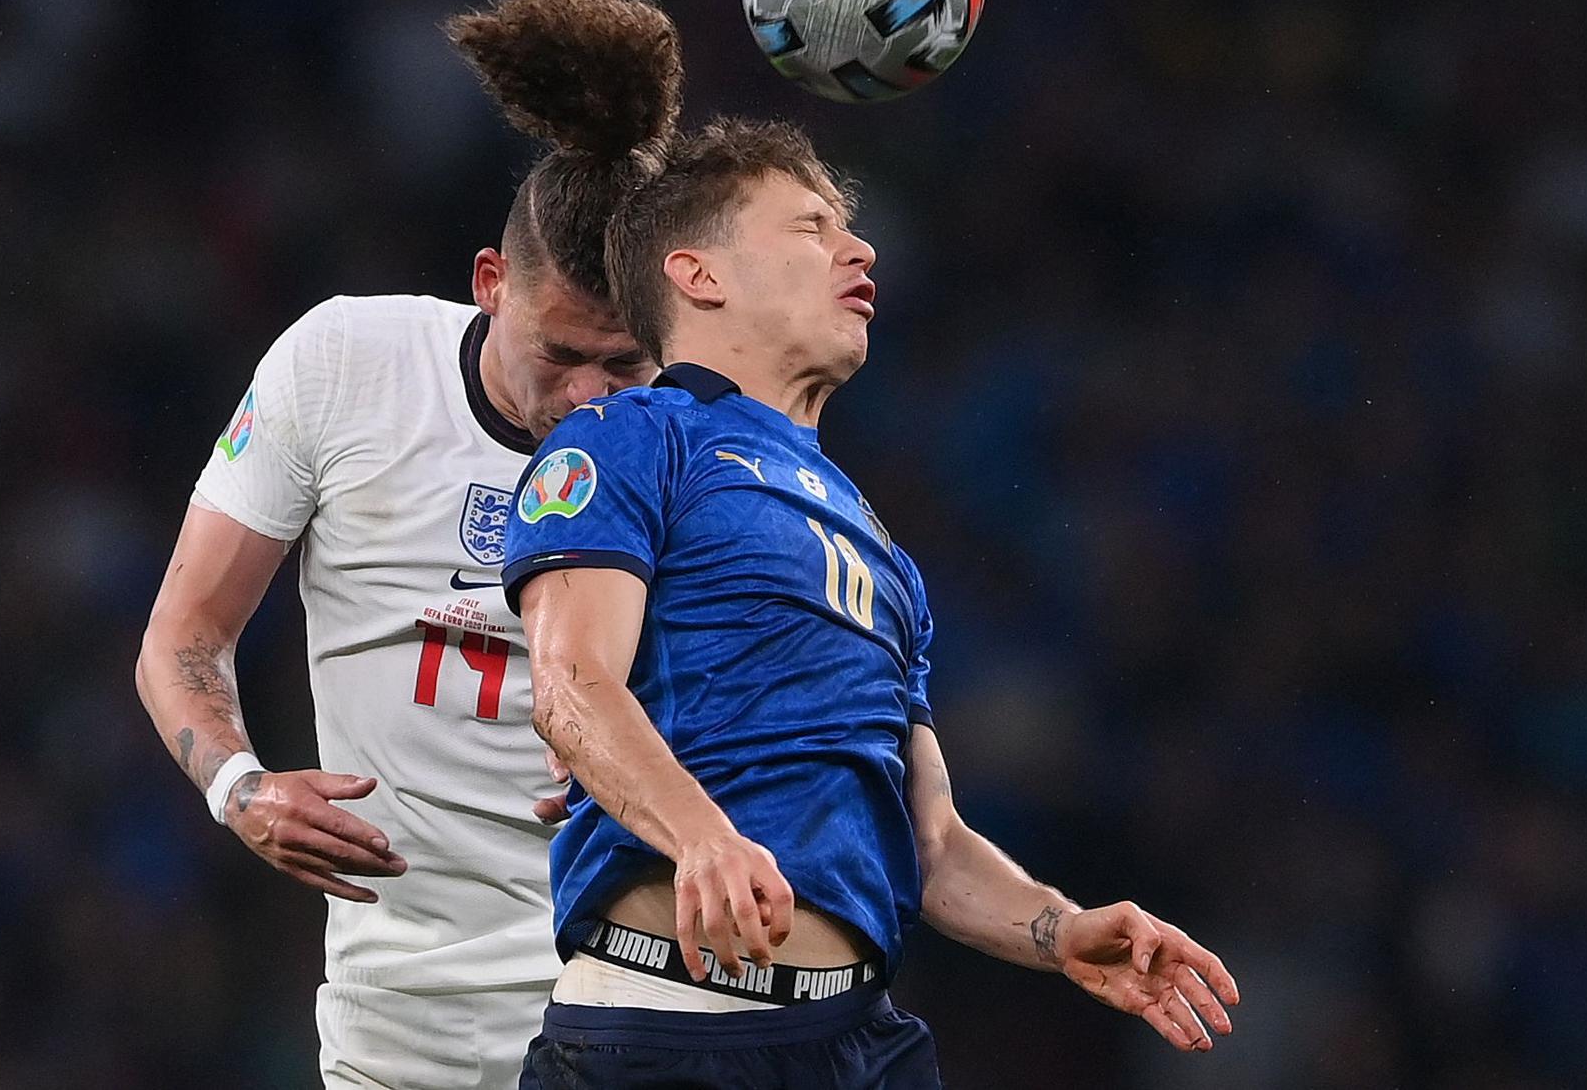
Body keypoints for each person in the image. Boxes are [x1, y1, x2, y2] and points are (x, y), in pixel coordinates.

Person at [502, 119, 1241, 1088]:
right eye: (809, 228)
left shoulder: (873, 543)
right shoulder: (628, 439)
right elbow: (571, 682)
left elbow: (927, 839)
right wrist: (703, 838)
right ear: (698, 274)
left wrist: (1057, 927)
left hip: (861, 1043)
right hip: (666, 1031)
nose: (858, 249)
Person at [133, 0, 680, 1089]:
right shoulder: (343, 366)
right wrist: (238, 788)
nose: (587, 397)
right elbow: (181, 636)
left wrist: (661, 761)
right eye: (559, 354)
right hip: (394, 1027)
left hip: (629, 1008)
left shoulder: (702, 447)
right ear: (490, 284)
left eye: (621, 363)